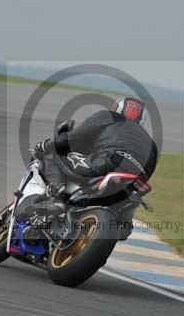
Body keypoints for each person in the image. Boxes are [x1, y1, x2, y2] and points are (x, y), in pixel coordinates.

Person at [31, 97, 159, 239]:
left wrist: (45, 145)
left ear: (117, 108)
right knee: (128, 208)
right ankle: (122, 221)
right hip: (132, 182)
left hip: (106, 164)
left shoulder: (110, 117)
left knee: (51, 157)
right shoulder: (152, 145)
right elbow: (148, 173)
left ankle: (58, 198)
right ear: (141, 119)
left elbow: (73, 138)